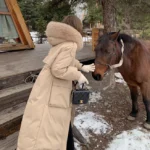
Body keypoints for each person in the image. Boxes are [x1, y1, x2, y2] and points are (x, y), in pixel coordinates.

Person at [17, 15, 95, 150]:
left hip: (48, 86)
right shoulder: (71, 45)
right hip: (54, 91)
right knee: (50, 127)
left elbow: (66, 60)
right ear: (77, 29)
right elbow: (59, 68)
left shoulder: (62, 43)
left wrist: (81, 66)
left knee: (48, 125)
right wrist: (78, 75)